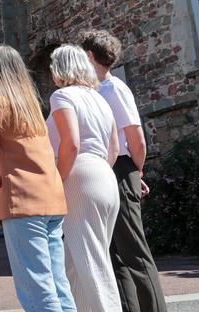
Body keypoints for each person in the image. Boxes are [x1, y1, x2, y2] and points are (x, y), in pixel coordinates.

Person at [0, 45, 73, 312]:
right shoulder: (32, 105)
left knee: (36, 285)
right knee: (59, 282)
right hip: (51, 196)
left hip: (21, 200)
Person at [80, 29, 168, 312]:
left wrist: (136, 173)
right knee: (114, 252)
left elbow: (136, 138)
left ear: (91, 56)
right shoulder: (94, 91)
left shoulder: (115, 89)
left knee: (134, 250)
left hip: (122, 167)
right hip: (108, 170)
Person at [48, 44, 122, 311]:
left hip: (79, 175)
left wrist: (56, 181)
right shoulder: (100, 99)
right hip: (104, 175)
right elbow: (114, 148)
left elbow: (71, 144)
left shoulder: (62, 96)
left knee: (91, 264)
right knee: (77, 264)